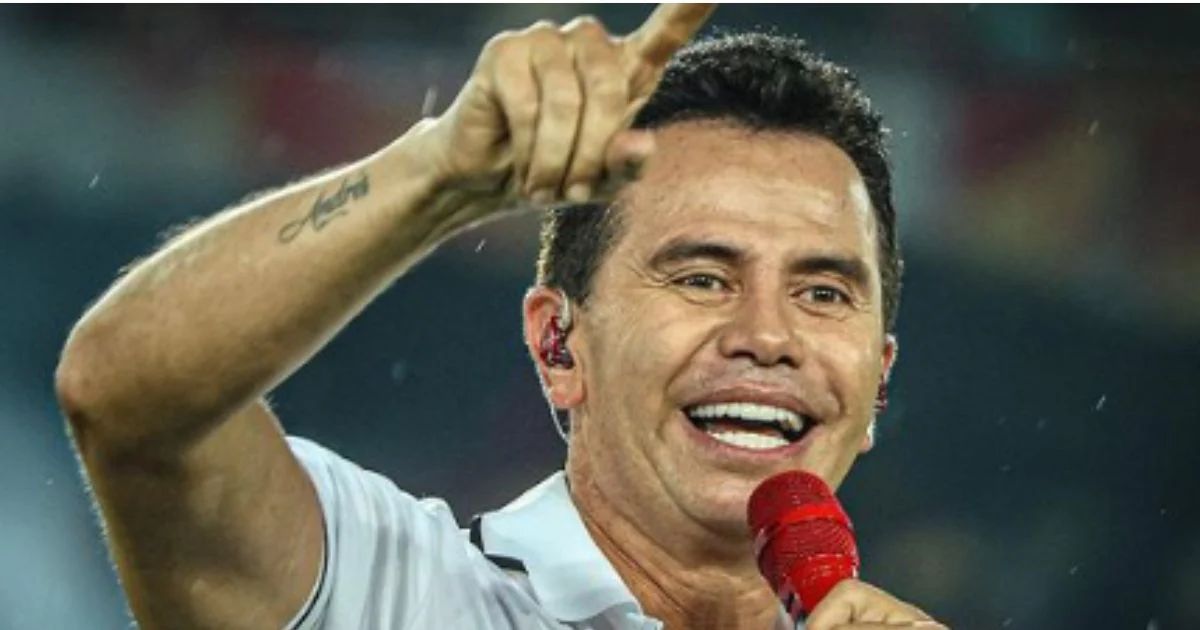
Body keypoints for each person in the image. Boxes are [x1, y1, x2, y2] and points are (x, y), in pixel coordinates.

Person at [55, 5, 945, 629]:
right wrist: (439, 176)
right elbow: (126, 400)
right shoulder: (396, 593)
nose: (769, 337)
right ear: (558, 345)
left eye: (823, 293)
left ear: (879, 380)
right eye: (703, 278)